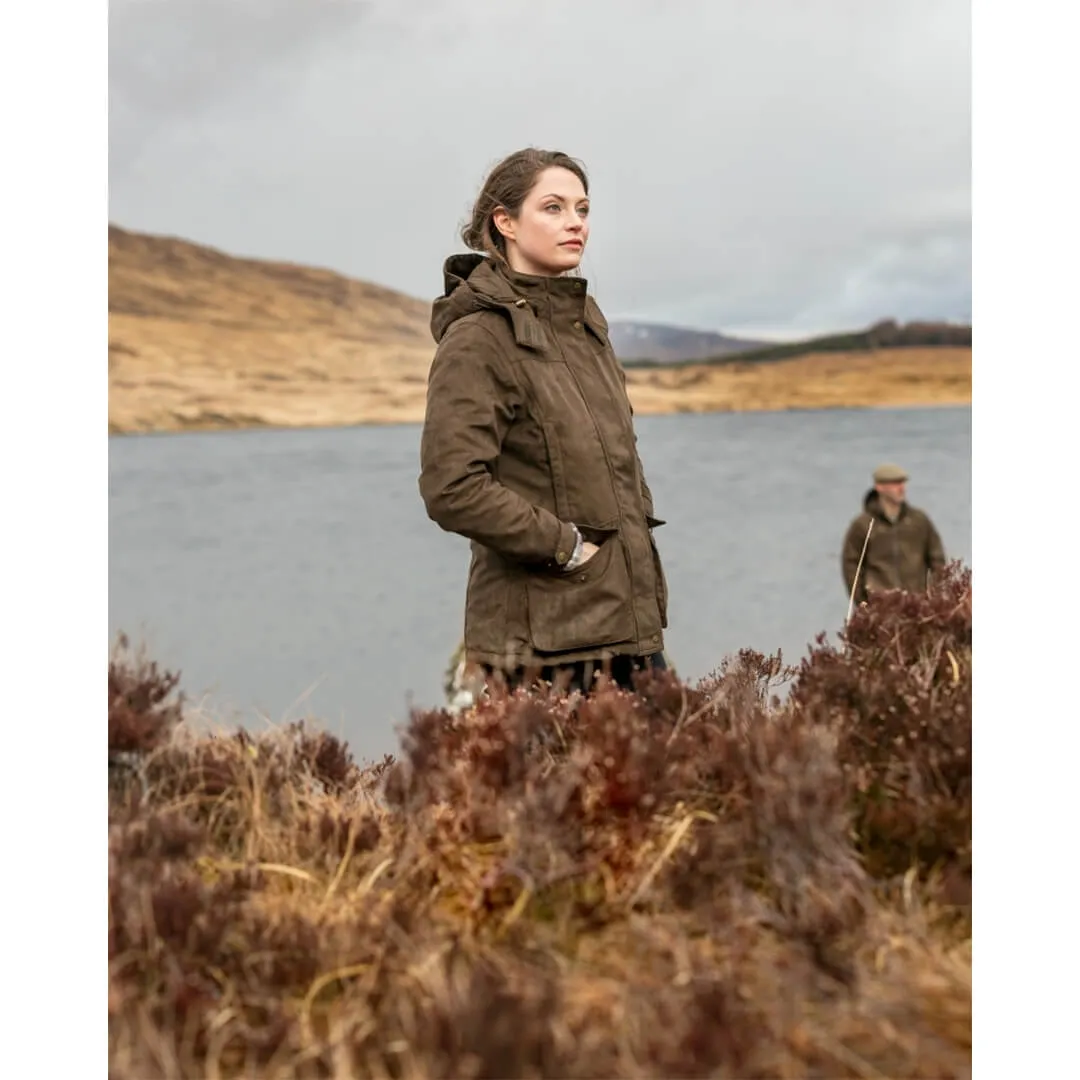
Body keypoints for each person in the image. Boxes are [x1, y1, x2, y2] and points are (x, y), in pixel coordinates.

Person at [418, 148, 669, 698]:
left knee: (670, 778)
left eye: (582, 208)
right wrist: (568, 546)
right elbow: (452, 487)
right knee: (550, 785)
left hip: (628, 629)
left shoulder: (585, 327)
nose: (575, 222)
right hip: (544, 646)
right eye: (553, 208)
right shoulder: (479, 338)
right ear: (504, 222)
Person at [842, 463, 946, 606]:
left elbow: (937, 559)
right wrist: (863, 602)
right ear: (879, 487)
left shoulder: (919, 521)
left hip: (918, 605)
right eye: (895, 483)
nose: (902, 488)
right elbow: (851, 565)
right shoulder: (863, 525)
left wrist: (935, 595)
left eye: (903, 483)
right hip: (880, 606)